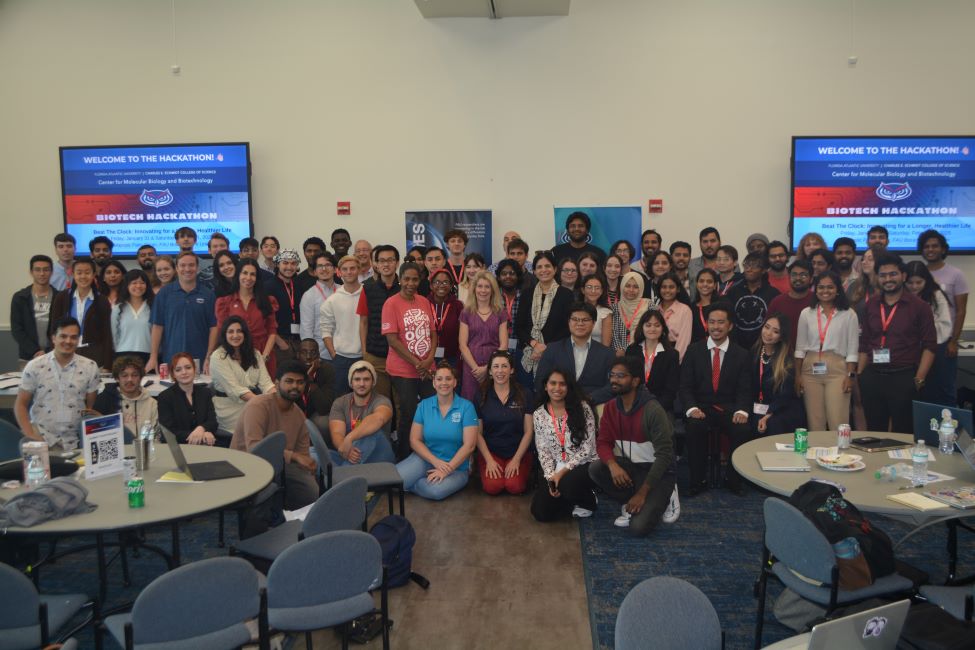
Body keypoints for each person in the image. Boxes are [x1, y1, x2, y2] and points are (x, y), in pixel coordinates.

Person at [588, 356, 679, 535]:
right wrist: (613, 466)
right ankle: (631, 499)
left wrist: (642, 494)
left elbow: (664, 457)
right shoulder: (611, 407)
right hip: (633, 467)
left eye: (621, 375)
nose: (614, 380)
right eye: (612, 375)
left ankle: (669, 494)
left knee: (638, 528)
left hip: (659, 472)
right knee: (596, 468)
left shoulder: (653, 410)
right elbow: (603, 443)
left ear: (636, 381)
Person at [858, 253, 937, 433]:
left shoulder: (919, 306)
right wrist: (861, 374)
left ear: (903, 276)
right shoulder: (870, 305)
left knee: (904, 432)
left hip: (904, 377)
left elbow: (930, 346)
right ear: (877, 278)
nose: (888, 279)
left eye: (893, 274)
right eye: (883, 275)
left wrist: (919, 379)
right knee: (874, 431)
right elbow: (865, 342)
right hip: (873, 376)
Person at [679, 302, 751, 496]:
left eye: (721, 322)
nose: (716, 327)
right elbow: (685, 386)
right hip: (701, 407)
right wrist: (691, 408)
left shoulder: (742, 354)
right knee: (694, 427)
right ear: (707, 325)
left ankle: (732, 478)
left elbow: (746, 388)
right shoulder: (694, 351)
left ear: (730, 326)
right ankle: (698, 480)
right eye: (712, 322)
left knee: (743, 429)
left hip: (729, 408)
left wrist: (741, 410)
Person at [231, 360, 319, 510]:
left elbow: (302, 455)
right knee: (268, 495)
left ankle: (291, 520)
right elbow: (254, 448)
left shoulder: (299, 416)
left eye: (300, 382)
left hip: (281, 465)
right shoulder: (258, 406)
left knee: (311, 492)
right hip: (247, 464)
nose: (295, 387)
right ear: (277, 384)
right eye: (289, 381)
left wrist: (307, 466)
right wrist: (294, 456)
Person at [395, 362, 478, 500]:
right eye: (439, 379)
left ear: (455, 382)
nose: (443, 383)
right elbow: (414, 440)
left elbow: (469, 446)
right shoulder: (423, 405)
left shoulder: (467, 407)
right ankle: (413, 481)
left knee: (435, 491)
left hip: (456, 467)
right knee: (395, 481)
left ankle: (411, 484)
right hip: (426, 459)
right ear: (434, 383)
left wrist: (447, 469)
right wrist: (436, 462)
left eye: (448, 378)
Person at [15, 316, 100, 450]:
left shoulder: (90, 367)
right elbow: (20, 404)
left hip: (75, 440)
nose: (68, 341)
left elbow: (88, 408)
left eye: (73, 337)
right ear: (53, 338)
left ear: (78, 340)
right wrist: (30, 434)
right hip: (41, 437)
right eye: (63, 336)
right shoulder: (35, 366)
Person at [383, 262, 438, 459]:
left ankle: (429, 453)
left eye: (415, 279)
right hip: (403, 370)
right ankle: (405, 456)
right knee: (409, 412)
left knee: (432, 409)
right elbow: (392, 340)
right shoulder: (391, 303)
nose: (411, 283)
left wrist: (429, 358)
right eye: (407, 279)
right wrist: (417, 362)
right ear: (400, 279)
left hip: (427, 367)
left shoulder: (424, 301)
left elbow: (433, 333)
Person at [530, 368, 599, 522]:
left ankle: (588, 500)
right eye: (553, 383)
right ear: (546, 386)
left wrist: (560, 475)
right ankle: (568, 499)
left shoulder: (583, 408)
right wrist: (550, 479)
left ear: (569, 387)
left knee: (567, 485)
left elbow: (588, 449)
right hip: (556, 466)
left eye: (562, 384)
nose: (557, 388)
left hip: (584, 463)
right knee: (540, 513)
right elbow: (543, 451)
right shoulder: (539, 414)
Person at [795, 272, 859, 432]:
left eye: (830, 287)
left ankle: (841, 456)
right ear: (815, 290)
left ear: (838, 290)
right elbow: (800, 348)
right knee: (815, 421)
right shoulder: (806, 313)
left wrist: (850, 377)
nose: (825, 291)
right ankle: (818, 455)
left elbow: (852, 349)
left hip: (837, 368)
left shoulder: (848, 314)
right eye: (821, 287)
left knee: (838, 420)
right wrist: (798, 375)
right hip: (810, 368)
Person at [919, 229, 968, 407]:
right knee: (923, 389)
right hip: (921, 342)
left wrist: (953, 341)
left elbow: (961, 311)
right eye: (926, 246)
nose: (930, 250)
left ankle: (949, 432)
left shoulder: (956, 274)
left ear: (943, 249)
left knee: (945, 389)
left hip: (944, 341)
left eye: (935, 246)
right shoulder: (919, 273)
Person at [475, 351, 534, 495]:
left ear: (512, 369)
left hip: (518, 452)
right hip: (491, 452)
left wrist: (516, 460)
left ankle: (516, 468)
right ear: (489, 371)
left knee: (515, 487)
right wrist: (489, 460)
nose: (500, 371)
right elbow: (477, 433)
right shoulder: (480, 395)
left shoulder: (525, 394)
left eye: (504, 366)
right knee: (493, 487)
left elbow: (528, 432)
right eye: (495, 367)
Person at [148, 252, 217, 374]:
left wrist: (209, 356)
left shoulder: (208, 294)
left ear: (197, 268)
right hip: (172, 358)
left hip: (200, 360)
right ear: (176, 268)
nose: (187, 269)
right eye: (183, 265)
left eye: (191, 265)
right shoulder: (164, 294)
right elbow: (157, 326)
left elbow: (214, 327)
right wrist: (153, 357)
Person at [535, 302, 616, 405]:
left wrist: (589, 399)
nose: (580, 323)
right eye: (575, 319)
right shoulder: (552, 349)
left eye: (585, 320)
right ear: (569, 322)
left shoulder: (607, 354)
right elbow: (540, 381)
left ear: (594, 323)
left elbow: (612, 385)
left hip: (593, 405)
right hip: (557, 406)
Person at [210, 315, 275, 433]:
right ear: (224, 334)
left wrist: (277, 400)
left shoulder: (255, 354)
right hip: (230, 410)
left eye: (239, 331)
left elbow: (266, 384)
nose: (235, 335)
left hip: (254, 405)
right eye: (230, 332)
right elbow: (236, 390)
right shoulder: (217, 357)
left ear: (245, 334)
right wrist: (263, 405)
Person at [515, 251, 574, 381]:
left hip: (556, 355)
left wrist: (545, 348)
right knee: (528, 396)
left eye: (547, 266)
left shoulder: (566, 295)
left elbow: (568, 328)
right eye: (539, 267)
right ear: (534, 271)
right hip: (529, 353)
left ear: (555, 269)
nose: (544, 270)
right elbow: (519, 327)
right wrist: (535, 345)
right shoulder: (527, 294)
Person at [216, 259, 279, 377]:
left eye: (252, 274)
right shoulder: (225, 302)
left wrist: (264, 357)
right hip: (235, 356)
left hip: (263, 354)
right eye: (245, 273)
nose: (248, 278)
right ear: (238, 274)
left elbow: (272, 331)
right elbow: (222, 332)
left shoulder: (267, 301)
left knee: (265, 393)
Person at [356, 245, 401, 408]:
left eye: (390, 260)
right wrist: (364, 352)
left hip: (401, 356)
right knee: (380, 404)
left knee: (401, 403)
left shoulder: (405, 289)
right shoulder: (367, 289)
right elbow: (363, 322)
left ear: (397, 263)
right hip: (376, 356)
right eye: (382, 260)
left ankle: (400, 435)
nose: (386, 264)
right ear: (376, 264)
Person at [49, 258, 113, 370]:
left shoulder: (102, 300)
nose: (83, 276)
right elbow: (53, 328)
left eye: (87, 272)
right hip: (65, 351)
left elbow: (107, 333)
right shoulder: (62, 297)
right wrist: (52, 355)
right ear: (73, 274)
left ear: (94, 275)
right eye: (79, 273)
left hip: (94, 356)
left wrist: (107, 364)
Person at [328, 360, 396, 466]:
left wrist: (350, 438)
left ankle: (343, 476)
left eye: (366, 379)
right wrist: (345, 449)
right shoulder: (340, 402)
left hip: (379, 457)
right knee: (314, 454)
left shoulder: (382, 401)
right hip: (351, 455)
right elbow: (337, 433)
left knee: (370, 434)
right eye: (357, 379)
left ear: (373, 382)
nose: (362, 384)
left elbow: (378, 418)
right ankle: (341, 474)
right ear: (351, 382)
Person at [905, 261, 954, 406]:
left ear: (926, 280)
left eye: (919, 282)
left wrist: (924, 330)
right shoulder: (902, 297)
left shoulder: (936, 295)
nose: (914, 287)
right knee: (914, 392)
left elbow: (945, 325)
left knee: (937, 391)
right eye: (910, 283)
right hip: (910, 351)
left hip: (935, 349)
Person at [752, 314, 805, 436]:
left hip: (782, 409)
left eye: (775, 331)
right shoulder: (754, 353)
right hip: (760, 406)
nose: (768, 333)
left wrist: (767, 415)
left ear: (782, 337)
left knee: (773, 424)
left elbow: (785, 396)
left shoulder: (787, 361)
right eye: (767, 327)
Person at [458, 270, 508, 401]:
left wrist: (488, 368)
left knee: (492, 401)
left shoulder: (500, 312)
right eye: (480, 286)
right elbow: (462, 345)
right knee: (471, 401)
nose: (483, 290)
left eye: (487, 286)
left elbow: (504, 344)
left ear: (493, 290)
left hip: (495, 366)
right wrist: (476, 368)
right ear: (474, 289)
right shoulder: (466, 312)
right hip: (471, 366)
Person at [321, 255, 364, 394]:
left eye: (352, 268)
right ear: (339, 272)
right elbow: (326, 330)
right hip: (341, 360)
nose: (349, 272)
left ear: (359, 270)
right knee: (341, 399)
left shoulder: (368, 294)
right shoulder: (332, 300)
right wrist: (334, 355)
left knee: (365, 400)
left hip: (364, 356)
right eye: (345, 269)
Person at [624, 309, 679, 413]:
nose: (652, 329)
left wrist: (654, 409)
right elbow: (628, 382)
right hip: (633, 405)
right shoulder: (632, 350)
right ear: (642, 328)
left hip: (661, 407)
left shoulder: (672, 354)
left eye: (657, 325)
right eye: (648, 325)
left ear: (663, 328)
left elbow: (671, 390)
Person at [92, 355, 158, 438]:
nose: (129, 379)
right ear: (117, 378)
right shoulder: (104, 400)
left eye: (134, 375)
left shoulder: (152, 404)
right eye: (124, 375)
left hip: (144, 449)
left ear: (141, 378)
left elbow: (156, 438)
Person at [726, 251, 779, 352]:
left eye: (754, 266)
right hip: (736, 347)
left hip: (763, 347)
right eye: (746, 265)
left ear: (763, 270)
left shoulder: (773, 294)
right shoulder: (733, 292)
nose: (749, 269)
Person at [11, 254, 55, 367]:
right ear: (31, 272)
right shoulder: (20, 297)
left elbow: (61, 328)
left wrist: (48, 352)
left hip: (54, 356)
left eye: (46, 270)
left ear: (51, 272)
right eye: (37, 270)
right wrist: (35, 351)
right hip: (28, 357)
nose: (42, 273)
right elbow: (17, 329)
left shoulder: (59, 297)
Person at [298, 252, 337, 361]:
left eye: (328, 265)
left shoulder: (342, 291)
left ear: (335, 269)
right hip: (320, 355)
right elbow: (306, 330)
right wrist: (311, 357)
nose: (324, 269)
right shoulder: (309, 296)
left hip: (343, 352)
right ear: (315, 272)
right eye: (320, 266)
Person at [767, 260, 814, 349]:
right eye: (794, 275)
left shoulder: (817, 301)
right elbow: (767, 330)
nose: (798, 278)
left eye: (803, 275)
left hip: (811, 355)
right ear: (789, 277)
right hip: (782, 354)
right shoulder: (777, 302)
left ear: (811, 279)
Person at [268, 249, 303, 365]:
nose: (289, 267)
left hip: (298, 341)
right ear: (278, 264)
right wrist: (280, 343)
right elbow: (265, 319)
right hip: (279, 343)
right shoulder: (268, 287)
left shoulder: (299, 285)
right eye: (285, 263)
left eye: (293, 263)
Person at [111, 269, 153, 363]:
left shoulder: (153, 306)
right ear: (127, 285)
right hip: (123, 355)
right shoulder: (117, 308)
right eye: (134, 283)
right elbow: (114, 335)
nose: (138, 286)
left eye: (142, 283)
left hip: (149, 356)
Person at [296, 338, 336, 434]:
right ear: (297, 355)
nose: (308, 357)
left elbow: (324, 408)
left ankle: (318, 448)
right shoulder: (291, 369)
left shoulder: (327, 370)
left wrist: (310, 379)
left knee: (323, 423)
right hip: (294, 412)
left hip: (315, 413)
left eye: (313, 353)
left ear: (318, 355)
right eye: (304, 352)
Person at [427, 269, 463, 371]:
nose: (441, 285)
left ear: (451, 285)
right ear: (431, 285)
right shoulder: (424, 303)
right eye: (437, 282)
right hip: (428, 358)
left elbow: (463, 334)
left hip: (451, 358)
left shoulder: (458, 306)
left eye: (446, 282)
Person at [610, 272, 650, 354]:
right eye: (627, 286)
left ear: (641, 288)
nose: (631, 290)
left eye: (635, 287)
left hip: (643, 353)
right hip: (619, 354)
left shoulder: (649, 306)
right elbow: (614, 334)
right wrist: (619, 350)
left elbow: (651, 331)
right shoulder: (614, 308)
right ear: (622, 287)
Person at [656, 272, 692, 360]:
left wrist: (675, 360)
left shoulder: (685, 310)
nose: (667, 290)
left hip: (675, 355)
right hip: (655, 355)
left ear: (678, 289)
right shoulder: (655, 310)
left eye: (671, 287)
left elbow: (684, 341)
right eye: (664, 287)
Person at [580, 272, 613, 345]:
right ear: (583, 290)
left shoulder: (605, 313)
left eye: (597, 288)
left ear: (601, 291)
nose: (593, 291)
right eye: (589, 287)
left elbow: (606, 345)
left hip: (597, 353)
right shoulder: (575, 310)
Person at [690, 268, 719, 343]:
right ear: (697, 284)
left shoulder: (721, 305)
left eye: (709, 282)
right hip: (698, 350)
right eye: (701, 281)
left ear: (715, 285)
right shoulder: (691, 308)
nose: (705, 284)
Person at [831, 237, 861, 303]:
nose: (843, 256)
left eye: (848, 253)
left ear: (854, 255)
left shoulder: (860, 280)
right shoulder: (827, 278)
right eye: (839, 253)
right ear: (834, 255)